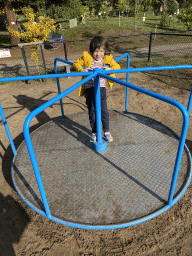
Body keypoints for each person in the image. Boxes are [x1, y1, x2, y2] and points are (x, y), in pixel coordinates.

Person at [73, 35, 120, 142]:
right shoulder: (87, 57)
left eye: (101, 51)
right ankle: (94, 132)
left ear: (105, 51)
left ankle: (106, 131)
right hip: (89, 89)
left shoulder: (107, 59)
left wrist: (110, 68)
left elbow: (117, 67)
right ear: (91, 51)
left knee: (104, 111)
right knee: (92, 111)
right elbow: (76, 63)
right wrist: (82, 69)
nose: (98, 54)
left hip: (101, 89)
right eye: (95, 51)